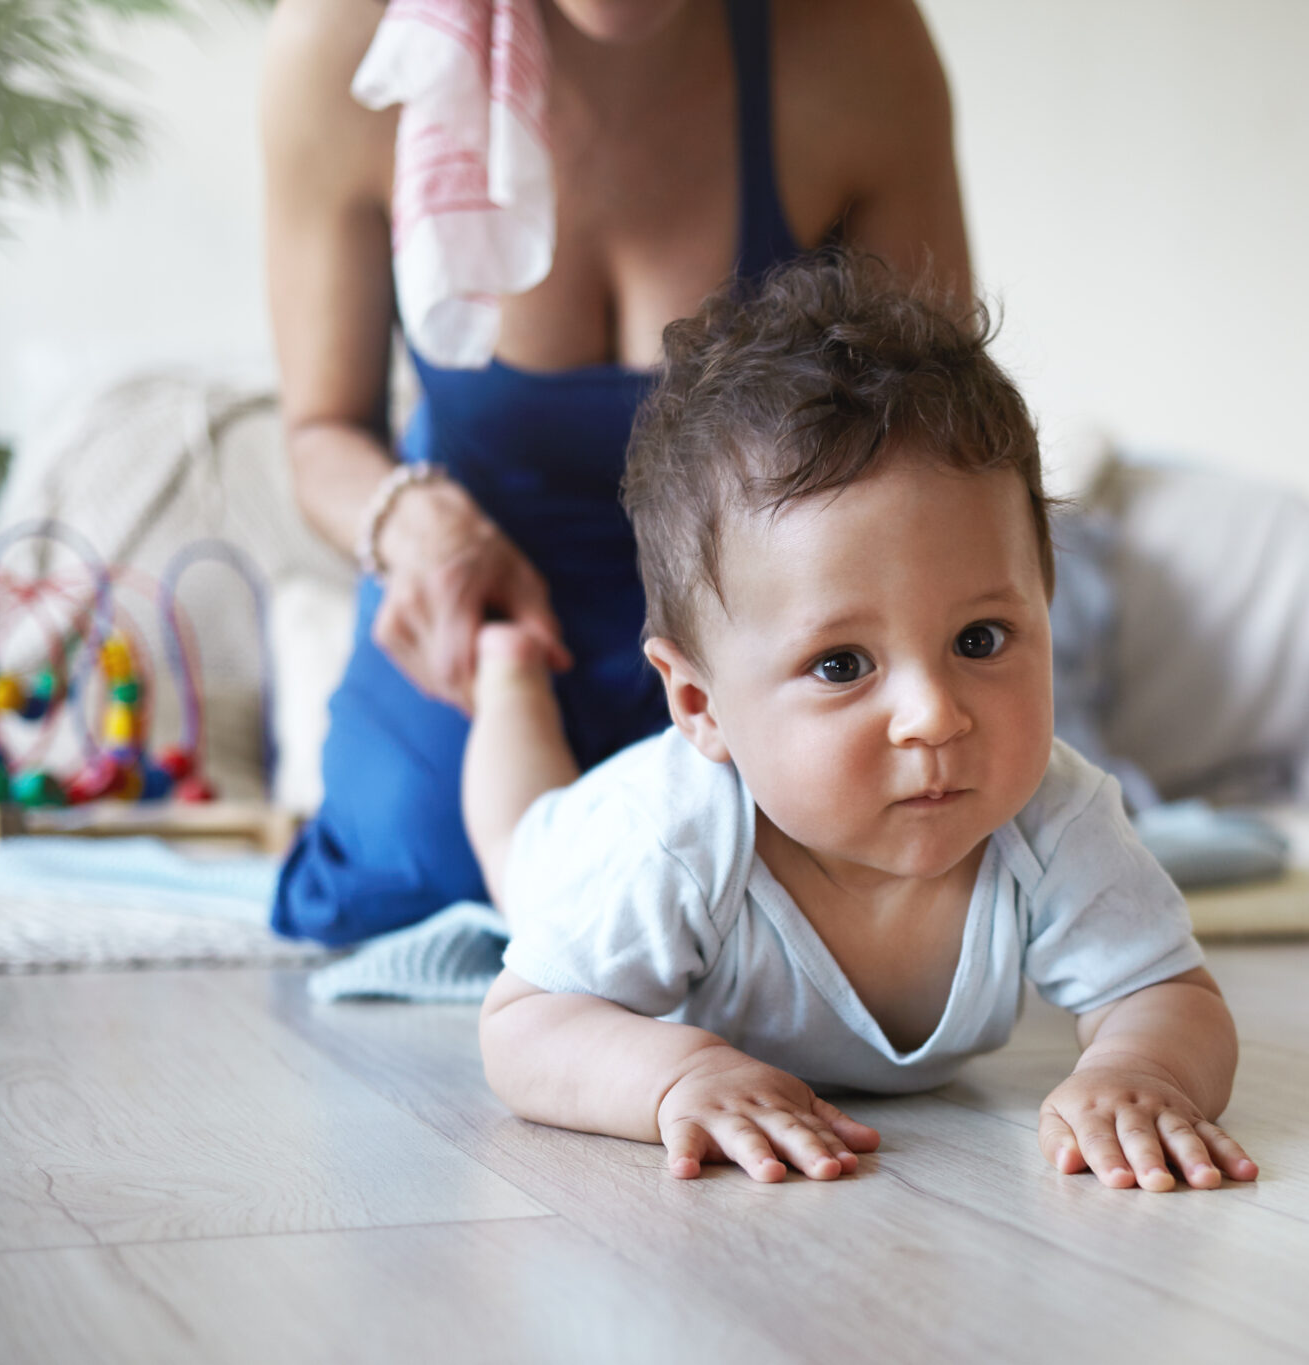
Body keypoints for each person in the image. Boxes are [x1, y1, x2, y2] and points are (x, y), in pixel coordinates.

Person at [464, 256, 1259, 1190]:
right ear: (698, 704)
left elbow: (1167, 992)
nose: (932, 714)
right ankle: (508, 673)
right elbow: (523, 1027)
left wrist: (1140, 1069)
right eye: (842, 664)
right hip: (590, 844)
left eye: (980, 636)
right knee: (521, 850)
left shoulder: (1055, 817)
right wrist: (677, 1070)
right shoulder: (667, 842)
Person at [261, 0, 970, 944]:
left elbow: (941, 437)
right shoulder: (344, 47)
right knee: (418, 870)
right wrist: (413, 523)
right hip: (484, 611)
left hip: (762, 623)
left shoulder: (854, 41)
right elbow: (321, 432)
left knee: (797, 895)